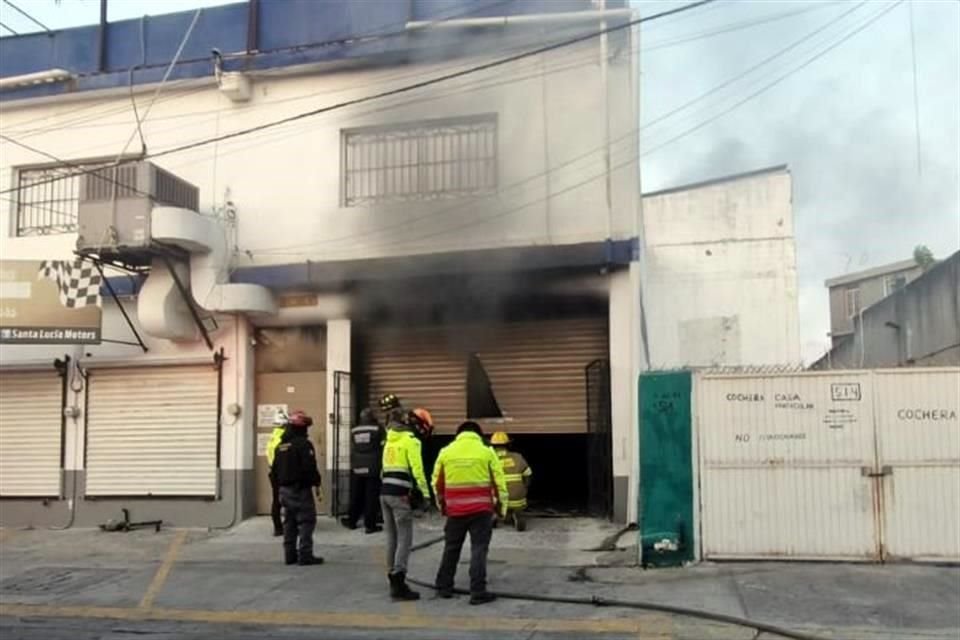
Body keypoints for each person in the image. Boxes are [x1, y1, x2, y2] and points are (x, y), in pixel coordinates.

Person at [432, 421, 508, 606]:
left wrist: (443, 507)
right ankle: (478, 592)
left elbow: (437, 483)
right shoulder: (486, 452)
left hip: (455, 510)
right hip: (481, 511)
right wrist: (501, 509)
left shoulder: (446, 452)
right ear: (478, 435)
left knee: (451, 548)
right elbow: (499, 483)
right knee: (479, 549)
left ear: (459, 434)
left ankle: (443, 587)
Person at [380, 406, 432, 601]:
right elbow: (417, 469)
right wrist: (426, 495)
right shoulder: (410, 441)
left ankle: (392, 576)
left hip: (384, 492)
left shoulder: (389, 440)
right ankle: (399, 581)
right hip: (399, 494)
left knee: (391, 537)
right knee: (405, 538)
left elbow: (382, 468)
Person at [271, 410, 324, 566]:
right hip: (299, 489)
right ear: (301, 427)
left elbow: (274, 470)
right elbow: (309, 467)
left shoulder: (280, 446)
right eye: (306, 426)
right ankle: (305, 555)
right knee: (307, 521)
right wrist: (316, 481)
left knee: (289, 522)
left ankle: (289, 555)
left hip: (284, 490)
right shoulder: (303, 444)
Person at [340, 407, 385, 534]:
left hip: (357, 466)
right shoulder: (378, 429)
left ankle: (352, 521)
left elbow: (354, 446)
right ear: (372, 416)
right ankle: (370, 525)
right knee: (371, 496)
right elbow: (383, 445)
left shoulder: (354, 430)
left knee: (356, 495)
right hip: (373, 467)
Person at [490, 431, 533, 532]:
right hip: (518, 497)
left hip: (498, 498)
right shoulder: (518, 457)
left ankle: (493, 515)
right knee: (515, 506)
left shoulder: (488, 459)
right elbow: (528, 475)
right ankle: (515, 513)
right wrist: (525, 488)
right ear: (508, 444)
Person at [265, 414, 288, 537]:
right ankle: (286, 526)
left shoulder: (272, 437)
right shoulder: (282, 437)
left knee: (276, 501)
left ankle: (277, 527)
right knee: (288, 498)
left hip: (272, 472)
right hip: (281, 472)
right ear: (284, 425)